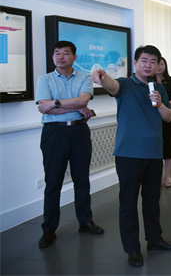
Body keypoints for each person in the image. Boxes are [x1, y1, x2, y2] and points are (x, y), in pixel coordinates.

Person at [91, 45, 171, 267]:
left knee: (152, 200)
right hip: (129, 154)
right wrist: (102, 76)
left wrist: (160, 102)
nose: (148, 65)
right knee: (128, 202)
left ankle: (154, 239)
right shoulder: (125, 84)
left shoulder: (159, 87)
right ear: (135, 63)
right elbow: (111, 85)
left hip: (153, 153)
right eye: (144, 61)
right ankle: (132, 248)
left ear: (158, 65)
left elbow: (168, 117)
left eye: (153, 61)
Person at [35, 40, 103, 249]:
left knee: (81, 179)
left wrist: (55, 103)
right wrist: (76, 107)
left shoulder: (84, 77)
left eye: (65, 53)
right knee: (53, 182)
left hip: (79, 131)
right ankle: (49, 229)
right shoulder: (44, 79)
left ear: (74, 57)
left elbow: (82, 101)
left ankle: (85, 221)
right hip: (54, 133)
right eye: (57, 53)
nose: (60, 56)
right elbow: (44, 108)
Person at [155, 57, 171, 188]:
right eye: (157, 64)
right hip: (154, 115)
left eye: (162, 64)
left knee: (168, 145)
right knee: (156, 145)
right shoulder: (148, 81)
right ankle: (156, 175)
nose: (159, 66)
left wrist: (165, 104)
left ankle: (168, 175)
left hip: (168, 114)